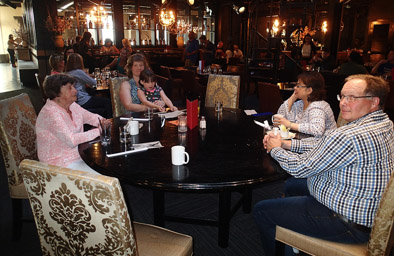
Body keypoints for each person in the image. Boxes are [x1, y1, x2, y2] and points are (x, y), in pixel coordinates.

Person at [255, 74, 393, 256]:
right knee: (292, 185)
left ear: (374, 101)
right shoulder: (385, 123)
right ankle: (295, 242)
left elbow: (299, 168)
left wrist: (274, 149)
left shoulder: (348, 136)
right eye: (342, 96)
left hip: (347, 222)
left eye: (352, 98)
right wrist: (287, 144)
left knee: (262, 211)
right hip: (363, 208)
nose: (343, 103)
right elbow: (325, 145)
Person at [36, 74, 111, 174]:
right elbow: (72, 140)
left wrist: (102, 121)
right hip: (58, 165)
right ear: (57, 93)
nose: (75, 91)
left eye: (74, 87)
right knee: (105, 174)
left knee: (107, 164)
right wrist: (100, 130)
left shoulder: (72, 106)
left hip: (79, 156)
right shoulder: (50, 113)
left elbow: (90, 117)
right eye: (69, 88)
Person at [274, 72, 337, 137]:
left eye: (298, 86)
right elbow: (280, 116)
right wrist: (293, 97)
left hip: (325, 144)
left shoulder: (318, 106)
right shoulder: (300, 104)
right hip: (306, 142)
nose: (295, 88)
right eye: (296, 85)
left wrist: (290, 125)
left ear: (309, 90)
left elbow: (317, 130)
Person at [65, 53, 112, 118]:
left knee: (99, 97)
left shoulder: (67, 73)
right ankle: (110, 121)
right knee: (107, 101)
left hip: (75, 101)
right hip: (83, 100)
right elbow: (94, 83)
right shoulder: (78, 72)